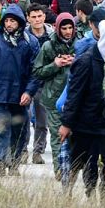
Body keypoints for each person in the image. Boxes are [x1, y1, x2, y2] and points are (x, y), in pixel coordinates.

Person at [60, 19, 105, 199]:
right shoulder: (86, 61)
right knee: (78, 160)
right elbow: (74, 95)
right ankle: (67, 195)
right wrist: (67, 123)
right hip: (85, 122)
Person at [0, 5, 40, 176]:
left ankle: (14, 164)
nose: (9, 24)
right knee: (0, 129)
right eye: (7, 20)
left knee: (19, 133)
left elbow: (36, 71)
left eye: (13, 21)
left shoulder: (30, 42)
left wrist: (29, 92)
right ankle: (0, 160)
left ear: (19, 22)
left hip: (21, 96)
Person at [29, 12, 76, 179]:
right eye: (64, 28)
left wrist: (76, 61)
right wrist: (55, 65)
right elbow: (37, 71)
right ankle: (60, 170)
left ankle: (73, 168)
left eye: (70, 27)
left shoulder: (80, 44)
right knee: (57, 134)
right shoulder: (48, 47)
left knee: (74, 135)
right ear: (58, 28)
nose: (68, 31)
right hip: (53, 96)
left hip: (75, 97)